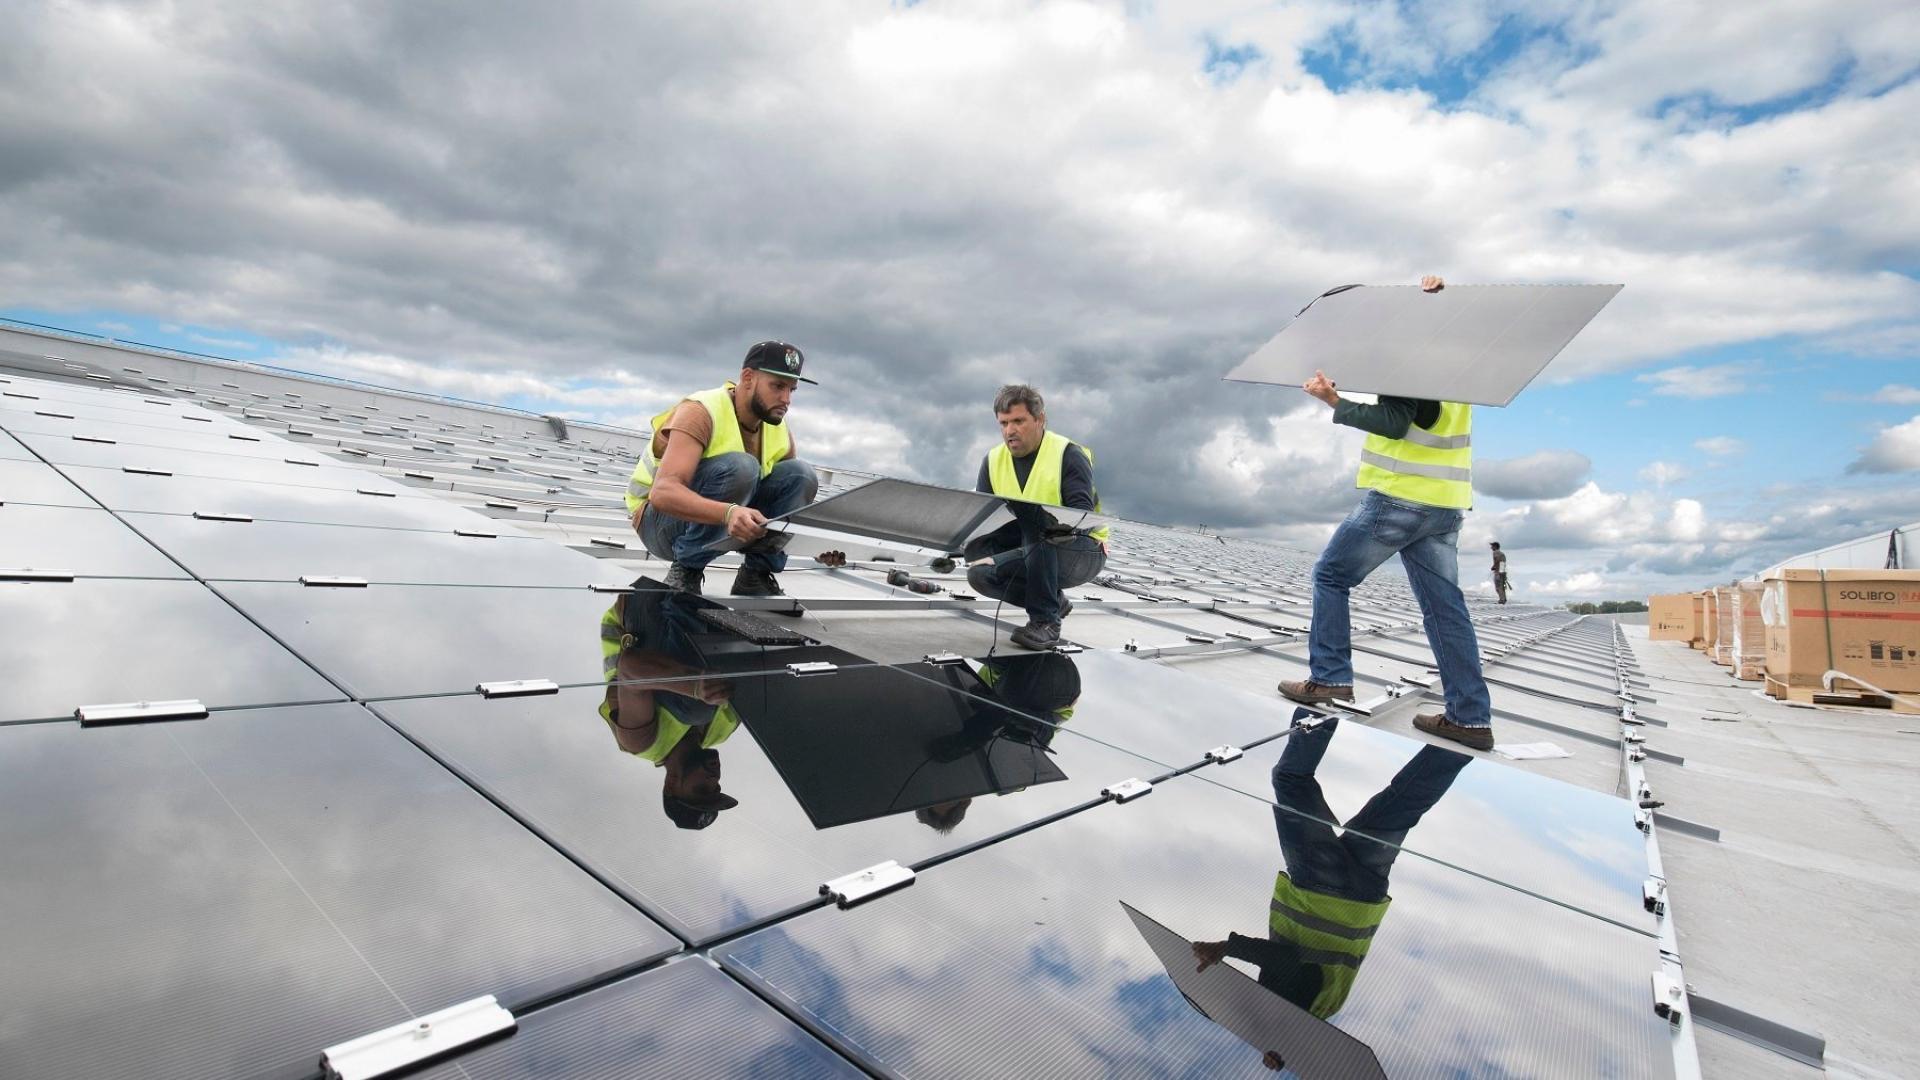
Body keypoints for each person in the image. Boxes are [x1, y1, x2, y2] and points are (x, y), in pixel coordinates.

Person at [1275, 275, 1497, 751]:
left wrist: (1334, 401)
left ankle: (1330, 678)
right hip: (1445, 506)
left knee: (1331, 577)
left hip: (1400, 500)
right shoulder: (1457, 367)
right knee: (1445, 610)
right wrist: (1439, 296)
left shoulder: (1407, 361)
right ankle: (1471, 719)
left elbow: (1394, 423)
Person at [1191, 713, 1469, 1029]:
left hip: (1364, 896)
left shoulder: (1326, 1008)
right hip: (1319, 887)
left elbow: (1307, 970)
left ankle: (1464, 730)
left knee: (1402, 804)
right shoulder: (1283, 1010)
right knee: (1290, 780)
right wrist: (1227, 948)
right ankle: (1322, 701)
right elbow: (1288, 962)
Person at [625, 341, 820, 596]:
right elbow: (662, 493)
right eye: (777, 386)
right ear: (748, 377)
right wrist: (728, 513)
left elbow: (786, 504)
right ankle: (686, 570)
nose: (786, 399)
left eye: (791, 390)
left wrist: (818, 548)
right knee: (742, 467)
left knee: (801, 475)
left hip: (724, 522)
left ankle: (755, 575)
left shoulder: (777, 427)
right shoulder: (701, 411)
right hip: (659, 525)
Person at [964, 384, 1109, 650]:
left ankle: (1046, 622)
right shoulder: (993, 460)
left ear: (1040, 419)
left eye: (1018, 421)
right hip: (1032, 547)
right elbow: (985, 520)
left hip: (1081, 550)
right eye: (1004, 423)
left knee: (1037, 523)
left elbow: (1080, 519)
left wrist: (1037, 521)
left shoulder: (1068, 454)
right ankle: (1053, 599)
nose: (1010, 431)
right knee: (979, 570)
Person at [598, 582, 742, 830]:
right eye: (716, 787)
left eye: (701, 788)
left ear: (672, 784)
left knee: (695, 709)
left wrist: (694, 686)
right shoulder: (722, 731)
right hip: (717, 613)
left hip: (646, 607)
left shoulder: (642, 742)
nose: (714, 779)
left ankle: (688, 584)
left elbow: (630, 669)